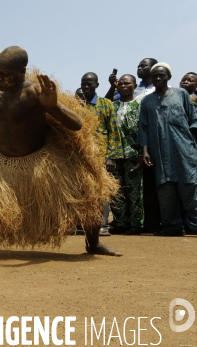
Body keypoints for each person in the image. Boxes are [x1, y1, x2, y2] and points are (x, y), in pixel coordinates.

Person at [0, 46, 120, 256]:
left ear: (22, 72)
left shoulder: (35, 92)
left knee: (88, 193)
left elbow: (76, 124)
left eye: (5, 74)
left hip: (39, 162)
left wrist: (54, 106)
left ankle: (93, 244)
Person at [139, 63, 197, 236]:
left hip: (183, 149)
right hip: (159, 151)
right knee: (165, 189)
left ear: (168, 77)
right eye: (155, 75)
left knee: (190, 186)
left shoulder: (181, 94)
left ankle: (195, 225)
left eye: (161, 75)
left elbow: (193, 120)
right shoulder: (147, 101)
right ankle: (172, 226)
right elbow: (143, 127)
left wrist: (191, 142)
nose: (158, 78)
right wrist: (144, 150)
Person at [80, 72, 124, 236]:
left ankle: (103, 225)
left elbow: (113, 131)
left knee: (102, 191)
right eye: (83, 83)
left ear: (97, 85)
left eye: (89, 84)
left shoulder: (106, 104)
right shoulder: (78, 105)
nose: (86, 87)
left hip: (101, 155)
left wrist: (110, 156)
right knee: (83, 191)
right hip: (82, 156)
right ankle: (85, 225)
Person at [109, 75, 144, 235]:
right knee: (117, 191)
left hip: (133, 155)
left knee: (134, 191)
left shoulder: (139, 106)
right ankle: (120, 222)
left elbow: (144, 131)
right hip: (115, 155)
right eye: (120, 83)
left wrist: (143, 153)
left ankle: (136, 223)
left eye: (127, 83)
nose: (123, 86)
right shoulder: (112, 106)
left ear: (134, 85)